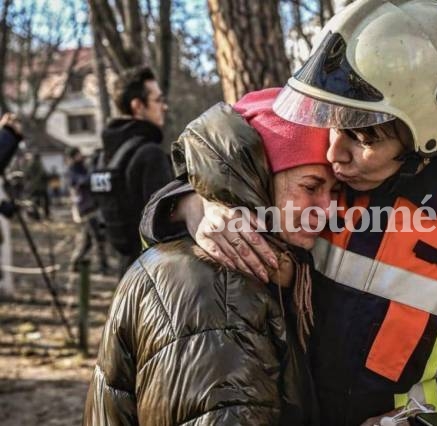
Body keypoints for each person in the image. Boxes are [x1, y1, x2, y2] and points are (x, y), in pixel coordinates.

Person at [141, 1, 437, 425]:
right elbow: (220, 155)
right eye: (334, 123)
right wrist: (199, 203)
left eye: (363, 138)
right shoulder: (324, 186)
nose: (334, 153)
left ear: (426, 140)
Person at [84, 88, 335, 425]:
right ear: (259, 177)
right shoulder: (223, 285)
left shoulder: (266, 261)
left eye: (335, 192)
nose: (327, 209)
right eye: (310, 186)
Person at [91, 66, 172, 276]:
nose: (164, 107)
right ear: (138, 106)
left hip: (125, 276)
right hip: (158, 277)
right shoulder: (149, 155)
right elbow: (166, 230)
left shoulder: (102, 158)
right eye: (158, 100)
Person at [66, 147, 108, 275]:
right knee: (98, 237)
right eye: (79, 155)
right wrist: (94, 169)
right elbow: (83, 181)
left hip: (91, 207)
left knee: (87, 242)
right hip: (85, 210)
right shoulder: (72, 170)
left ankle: (75, 263)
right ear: (73, 157)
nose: (82, 156)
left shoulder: (83, 168)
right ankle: (103, 266)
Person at [24, 152, 50, 220]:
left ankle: (36, 216)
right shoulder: (40, 164)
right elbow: (45, 174)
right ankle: (46, 215)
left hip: (34, 187)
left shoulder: (30, 165)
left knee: (35, 201)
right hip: (41, 187)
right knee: (44, 201)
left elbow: (27, 175)